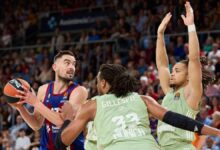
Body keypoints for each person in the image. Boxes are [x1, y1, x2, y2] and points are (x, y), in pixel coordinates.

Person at [52, 64, 220, 150]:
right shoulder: (143, 99)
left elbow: (62, 142)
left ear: (103, 83)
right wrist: (216, 131)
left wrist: (67, 118)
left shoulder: (92, 105)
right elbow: (177, 120)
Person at [156, 2, 215, 150]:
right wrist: (160, 35)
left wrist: (191, 26)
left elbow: (194, 59)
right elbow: (162, 65)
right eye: (173, 70)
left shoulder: (191, 93)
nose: (172, 73)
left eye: (177, 71)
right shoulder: (169, 91)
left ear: (189, 76)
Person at [13, 50, 88, 150]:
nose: (71, 67)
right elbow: (36, 125)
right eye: (67, 63)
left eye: (74, 64)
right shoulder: (43, 90)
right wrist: (20, 108)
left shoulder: (79, 91)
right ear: (54, 67)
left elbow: (64, 123)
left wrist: (35, 102)